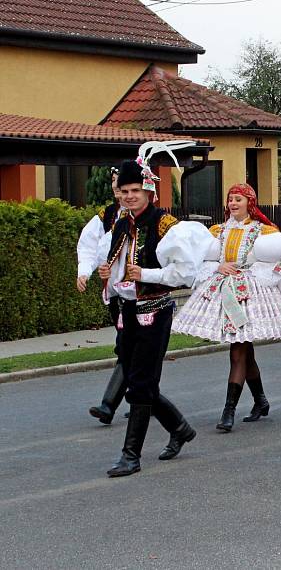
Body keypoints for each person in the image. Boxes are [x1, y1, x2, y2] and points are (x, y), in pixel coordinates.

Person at [97, 151, 209, 477]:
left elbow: (185, 274)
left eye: (136, 190)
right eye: (125, 190)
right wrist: (109, 272)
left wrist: (144, 274)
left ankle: (131, 455)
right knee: (138, 380)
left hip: (156, 308)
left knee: (141, 383)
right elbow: (119, 268)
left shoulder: (166, 225)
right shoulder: (121, 224)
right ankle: (179, 428)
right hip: (128, 310)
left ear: (149, 191)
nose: (130, 196)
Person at [172, 183, 281, 432]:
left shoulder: (263, 231)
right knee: (245, 351)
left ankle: (229, 410)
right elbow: (201, 260)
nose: (233, 204)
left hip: (253, 294)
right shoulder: (217, 231)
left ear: (249, 204)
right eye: (230, 199)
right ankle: (260, 401)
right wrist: (217, 267)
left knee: (238, 352)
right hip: (224, 291)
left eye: (238, 200)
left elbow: (277, 268)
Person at [77, 167, 129, 425]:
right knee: (128, 346)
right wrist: (85, 272)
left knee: (126, 347)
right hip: (115, 292)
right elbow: (88, 244)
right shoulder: (107, 215)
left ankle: (109, 405)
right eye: (115, 182)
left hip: (142, 294)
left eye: (125, 185)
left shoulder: (147, 217)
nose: (118, 188)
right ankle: (144, 396)